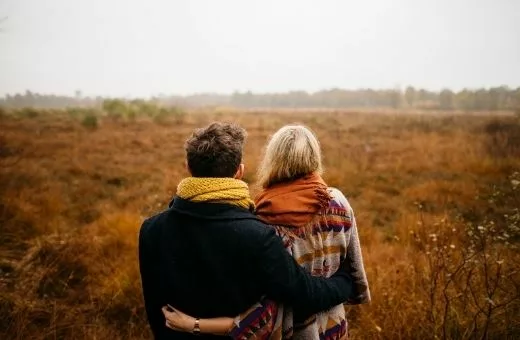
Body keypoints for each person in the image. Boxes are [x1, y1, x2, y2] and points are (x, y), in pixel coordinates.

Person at [139, 122, 357, 339]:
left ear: (187, 166)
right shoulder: (257, 235)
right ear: (239, 171)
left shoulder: (151, 230)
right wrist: (345, 283)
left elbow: (155, 311)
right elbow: (303, 293)